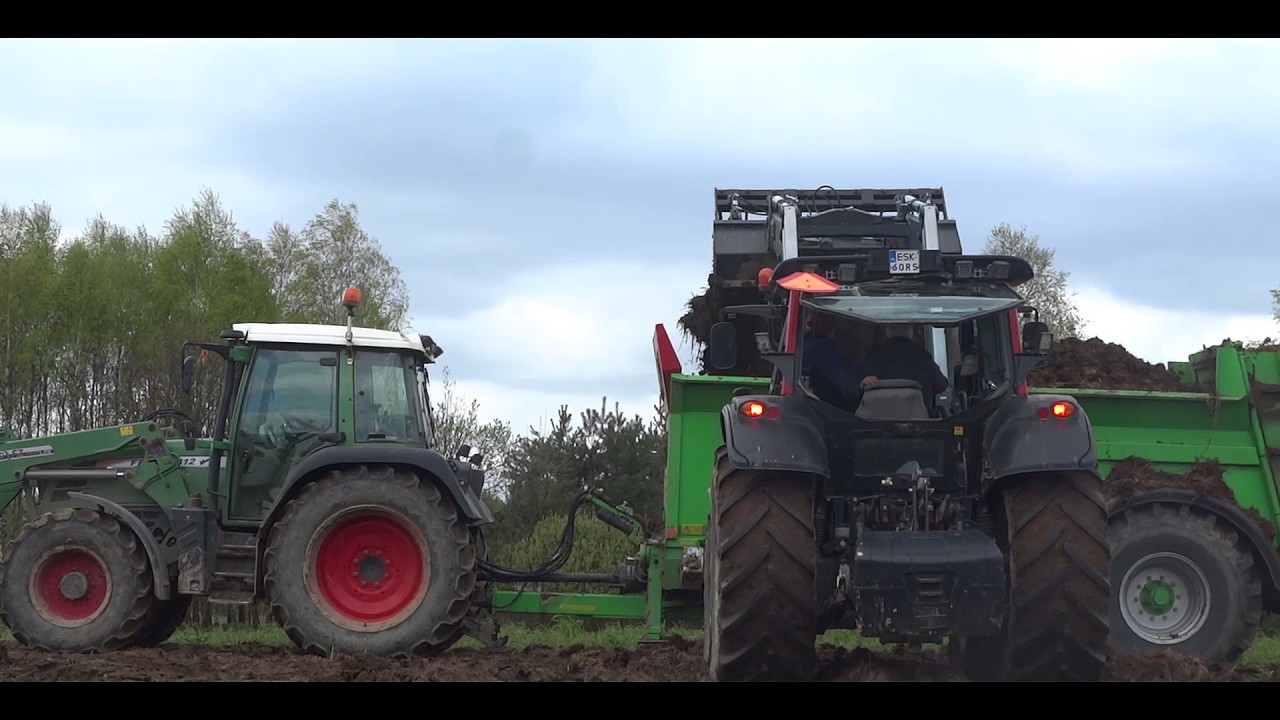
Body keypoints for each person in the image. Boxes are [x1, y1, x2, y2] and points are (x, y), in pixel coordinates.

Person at [853, 324, 950, 405]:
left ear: (887, 332)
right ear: (911, 333)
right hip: (918, 417)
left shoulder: (873, 355)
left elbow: (857, 385)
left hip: (876, 417)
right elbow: (941, 384)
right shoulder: (923, 356)